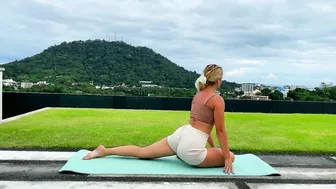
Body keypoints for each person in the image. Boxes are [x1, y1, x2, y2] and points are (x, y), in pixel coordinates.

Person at [83, 64, 235, 174]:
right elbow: (220, 131)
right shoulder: (217, 100)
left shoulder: (198, 94)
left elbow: (201, 124)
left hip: (181, 135)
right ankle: (185, 156)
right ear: (219, 80)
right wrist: (226, 157)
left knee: (143, 152)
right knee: (232, 156)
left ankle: (105, 151)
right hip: (191, 148)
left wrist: (214, 147)